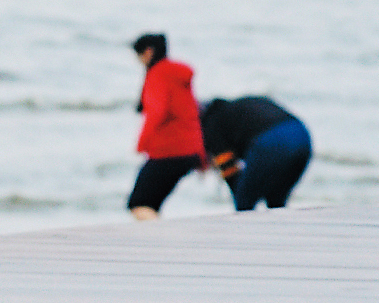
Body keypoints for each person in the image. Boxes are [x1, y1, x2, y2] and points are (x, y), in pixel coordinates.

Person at [128, 33, 202, 217]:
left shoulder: (158, 74)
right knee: (152, 203)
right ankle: (157, 238)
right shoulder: (177, 75)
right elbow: (192, 112)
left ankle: (158, 241)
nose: (138, 61)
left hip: (168, 151)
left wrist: (142, 143)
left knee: (138, 203)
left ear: (148, 52)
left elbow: (156, 112)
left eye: (139, 55)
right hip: (189, 150)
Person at [203, 92, 312, 211]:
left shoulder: (212, 124)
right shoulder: (237, 106)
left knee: (244, 201)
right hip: (302, 136)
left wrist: (241, 195)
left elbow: (230, 171)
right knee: (276, 200)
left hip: (273, 140)